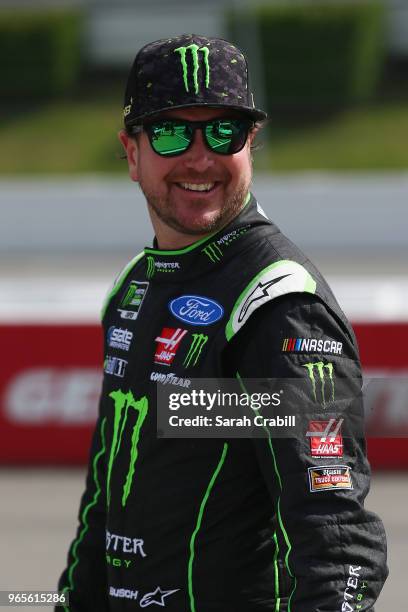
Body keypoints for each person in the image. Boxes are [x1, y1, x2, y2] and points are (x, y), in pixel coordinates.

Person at [57, 34, 388, 611]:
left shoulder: (274, 303)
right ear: (131, 153)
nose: (200, 156)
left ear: (250, 143)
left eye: (222, 131)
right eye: (169, 132)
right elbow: (104, 504)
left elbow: (336, 543)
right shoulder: (135, 285)